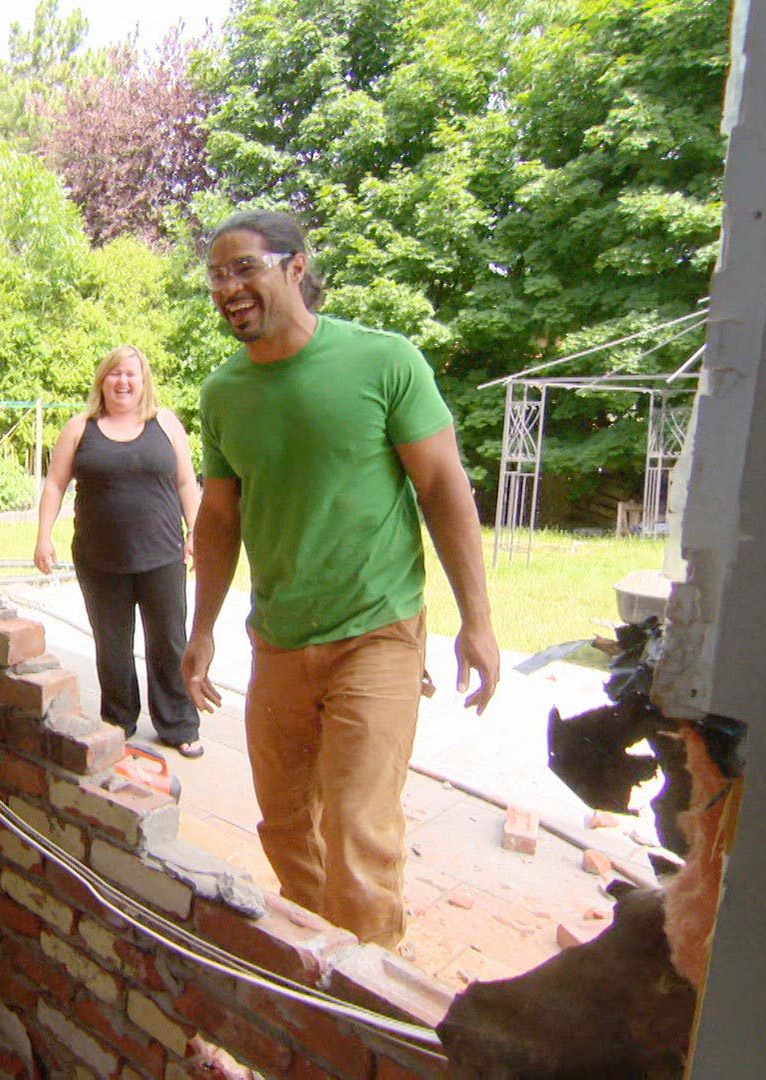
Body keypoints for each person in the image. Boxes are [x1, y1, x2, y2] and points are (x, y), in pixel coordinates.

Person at [180, 210, 499, 948]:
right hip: (280, 639)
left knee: (359, 834)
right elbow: (221, 519)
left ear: (295, 268)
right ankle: (320, 988)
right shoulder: (223, 392)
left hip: (376, 632)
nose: (227, 287)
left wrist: (476, 621)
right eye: (217, 275)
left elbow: (444, 486)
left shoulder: (384, 362)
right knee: (290, 831)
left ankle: (371, 1015)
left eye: (244, 268)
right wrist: (200, 630)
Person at [35, 345, 205, 757]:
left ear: (143, 381)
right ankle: (119, 722)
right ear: (102, 381)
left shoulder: (166, 424)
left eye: (131, 374)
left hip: (163, 556)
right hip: (99, 560)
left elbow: (186, 483)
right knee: (112, 645)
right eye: (114, 374)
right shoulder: (79, 428)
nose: (123, 382)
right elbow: (56, 484)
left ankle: (178, 724)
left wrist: (197, 531)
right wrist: (43, 536)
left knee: (169, 642)